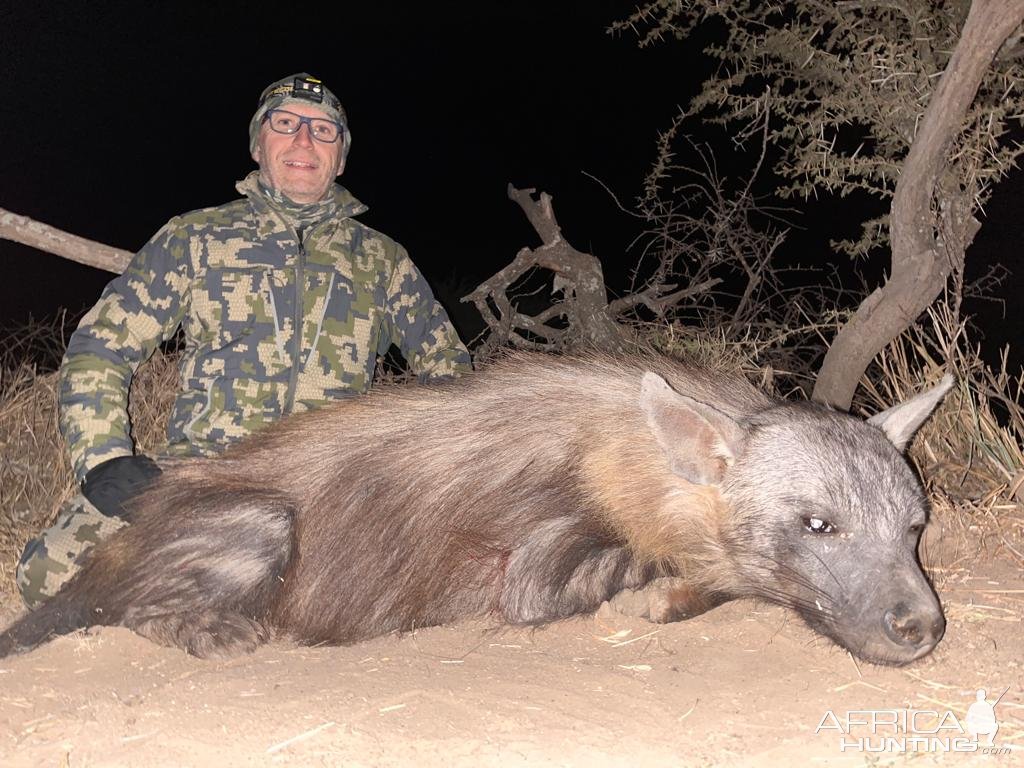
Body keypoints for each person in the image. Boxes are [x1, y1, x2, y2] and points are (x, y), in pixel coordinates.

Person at [16, 73, 471, 607]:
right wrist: (105, 461)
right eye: (286, 124)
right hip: (209, 471)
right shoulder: (195, 237)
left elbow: (450, 372)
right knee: (50, 576)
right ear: (259, 144)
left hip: (331, 483)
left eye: (324, 130)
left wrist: (411, 470)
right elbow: (101, 347)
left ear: (341, 158)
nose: (304, 141)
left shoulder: (383, 260)